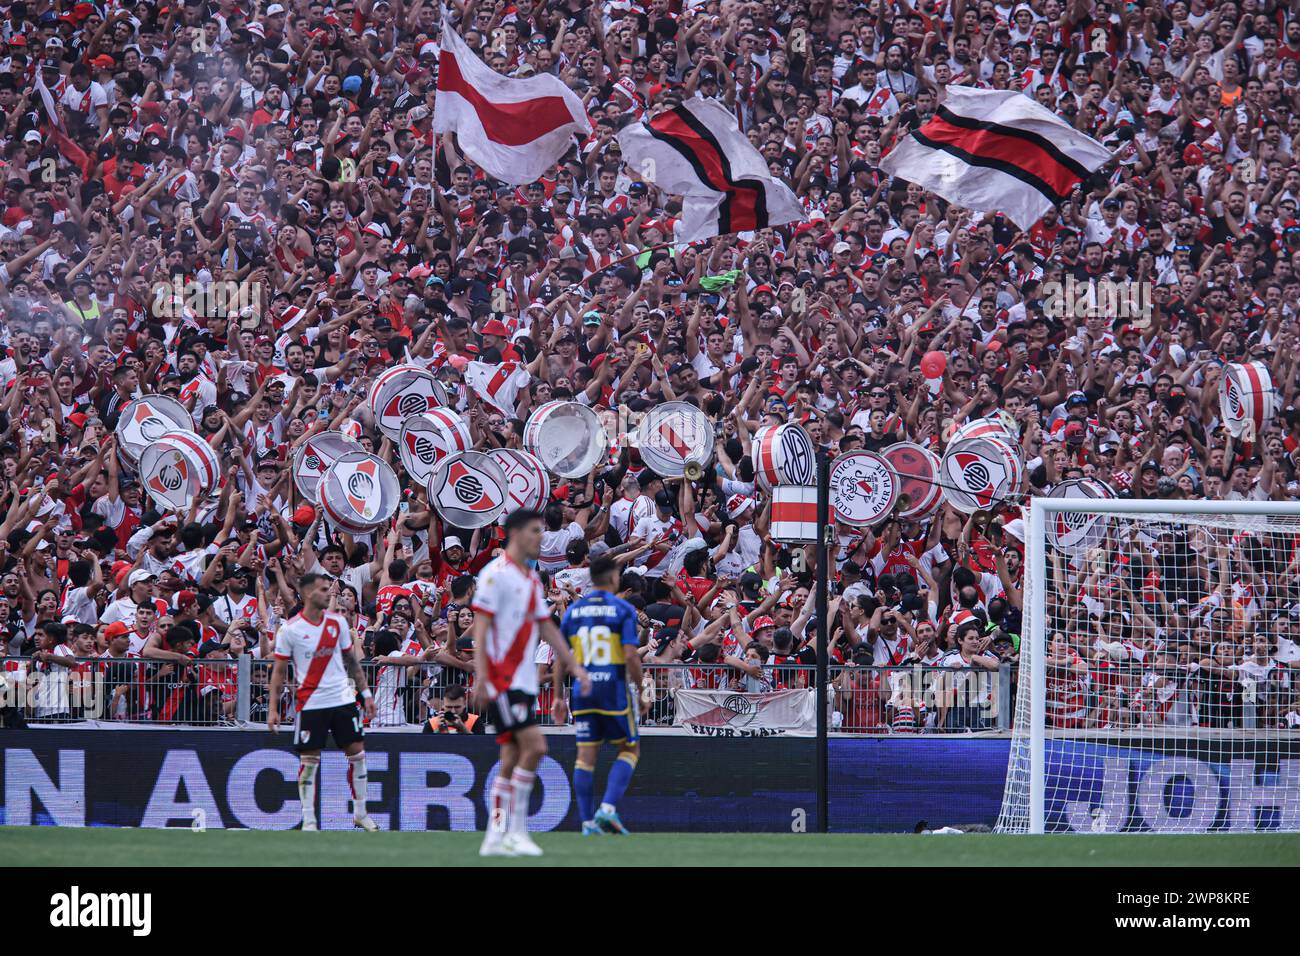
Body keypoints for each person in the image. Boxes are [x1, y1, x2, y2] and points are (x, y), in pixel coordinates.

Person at [471, 508, 589, 857]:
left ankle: (495, 835)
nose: (542, 538)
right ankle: (518, 830)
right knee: (536, 747)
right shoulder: (496, 574)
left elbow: (547, 627)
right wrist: (481, 675)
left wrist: (573, 667)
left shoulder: (531, 578)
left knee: (510, 757)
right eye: (536, 531)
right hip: (502, 677)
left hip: (522, 678)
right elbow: (481, 627)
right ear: (519, 533)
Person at [267, 573, 379, 832]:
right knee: (309, 760)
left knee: (358, 754)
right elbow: (279, 672)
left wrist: (366, 695)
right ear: (308, 594)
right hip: (311, 702)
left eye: (329, 589)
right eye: (323, 589)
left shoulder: (338, 623)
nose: (329, 593)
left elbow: (351, 662)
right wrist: (273, 709)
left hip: (342, 698)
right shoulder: (291, 629)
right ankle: (309, 819)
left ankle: (361, 812)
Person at [560, 554, 646, 835]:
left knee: (585, 756)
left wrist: (558, 698)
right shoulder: (622, 609)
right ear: (613, 578)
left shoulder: (574, 611)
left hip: (581, 691)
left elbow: (560, 655)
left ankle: (587, 823)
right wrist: (643, 689)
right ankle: (607, 810)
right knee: (630, 748)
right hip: (611, 688)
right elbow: (631, 656)